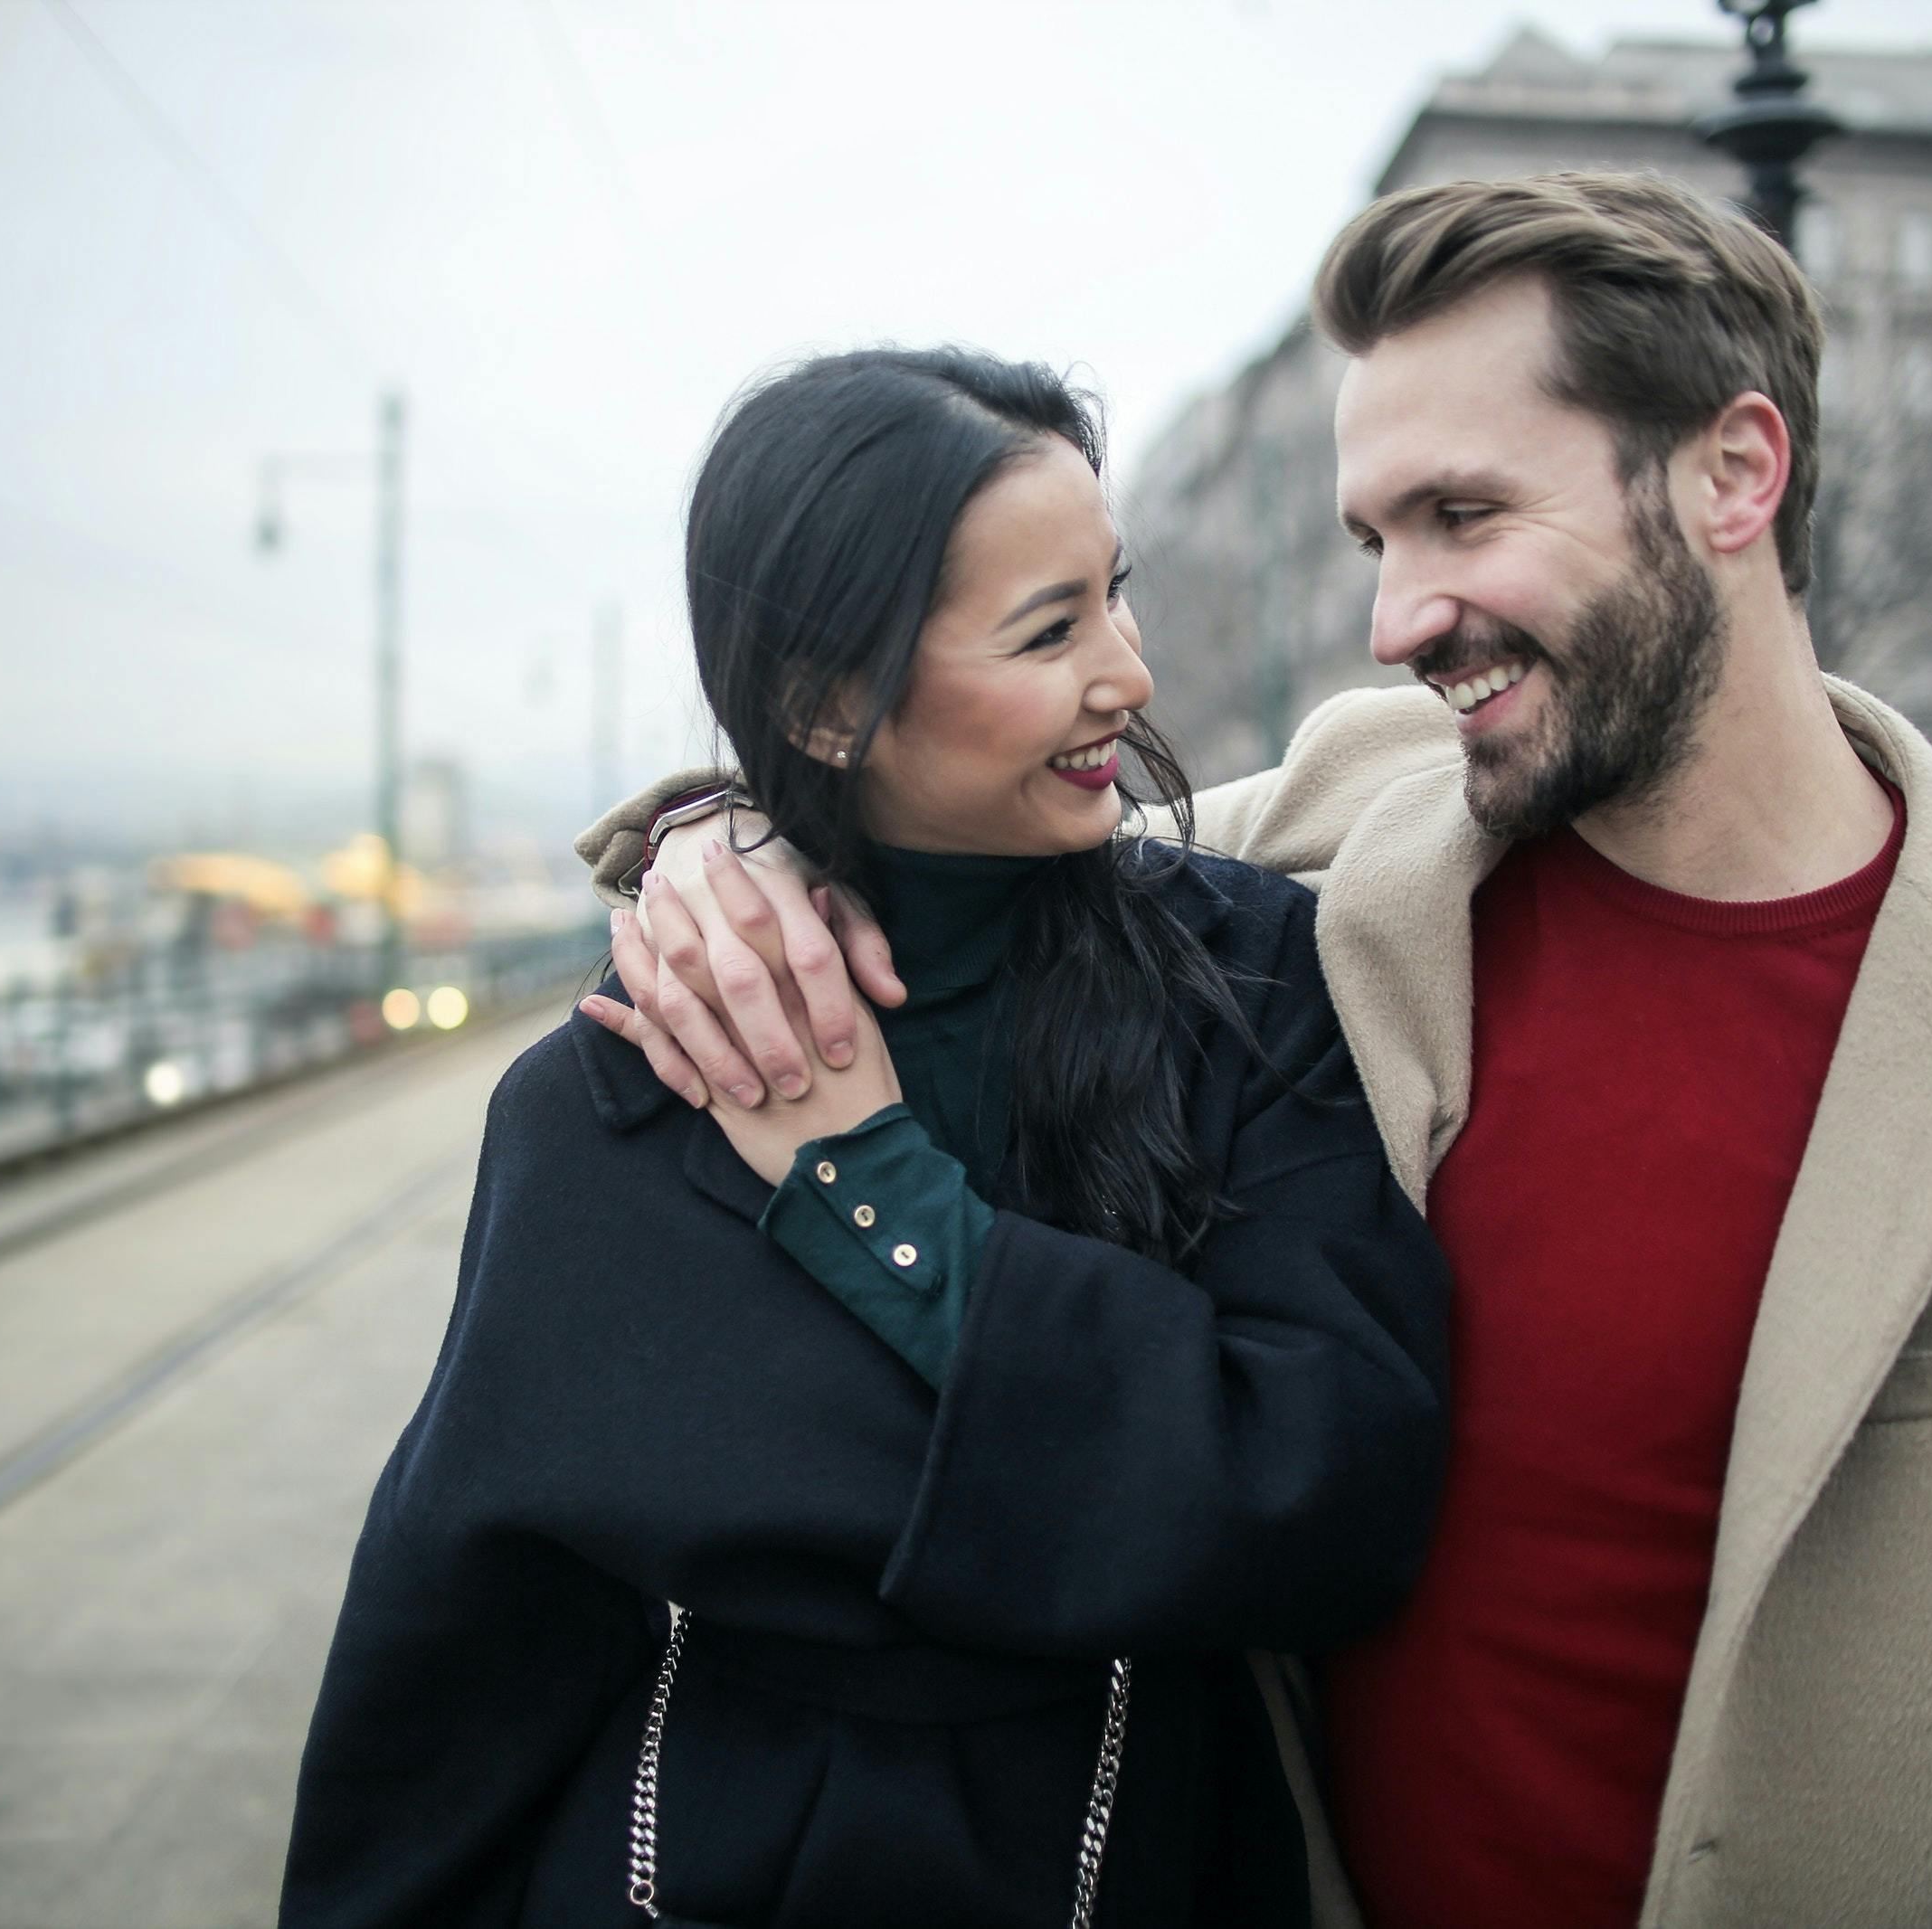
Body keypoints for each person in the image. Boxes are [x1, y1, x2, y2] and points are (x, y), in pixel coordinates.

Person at [579, 175, 1932, 1927]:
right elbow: (954, 814)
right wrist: (717, 843)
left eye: (1463, 517)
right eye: (1376, 536)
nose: (1398, 619)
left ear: (1732, 472)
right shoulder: (1334, 827)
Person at [279, 346, 1451, 1929]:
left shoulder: (1237, 985)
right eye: (1051, 630)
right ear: (831, 703)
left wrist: (878, 1196)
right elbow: (463, 1632)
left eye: (1117, 594)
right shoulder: (614, 1088)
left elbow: (1333, 1487)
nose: (1132, 672)